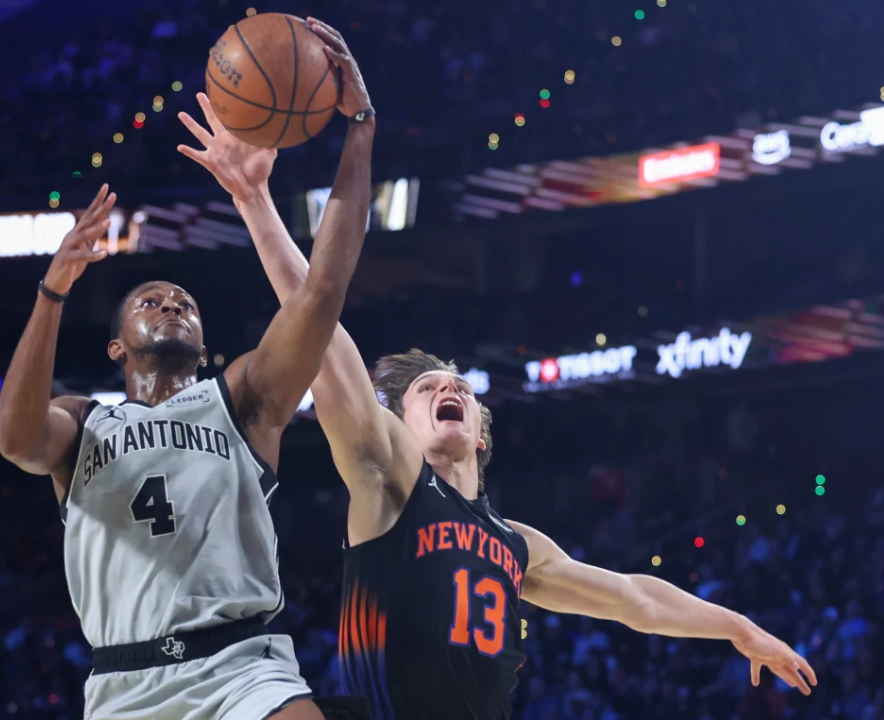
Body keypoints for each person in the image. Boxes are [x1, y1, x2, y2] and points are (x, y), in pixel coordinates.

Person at [177, 71, 818, 720]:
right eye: (428, 388)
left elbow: (634, 597)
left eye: (459, 385)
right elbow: (320, 329)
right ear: (399, 426)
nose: (449, 385)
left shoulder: (517, 545)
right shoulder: (390, 482)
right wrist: (256, 201)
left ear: (482, 432)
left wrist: (737, 626)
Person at [0, 18, 375, 720]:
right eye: (149, 299)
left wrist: (359, 129)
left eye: (183, 302)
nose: (170, 300)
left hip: (246, 668)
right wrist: (52, 293)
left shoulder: (242, 402)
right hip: (125, 685)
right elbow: (16, 440)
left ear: (204, 347)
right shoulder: (85, 423)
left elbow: (321, 292)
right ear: (117, 345)